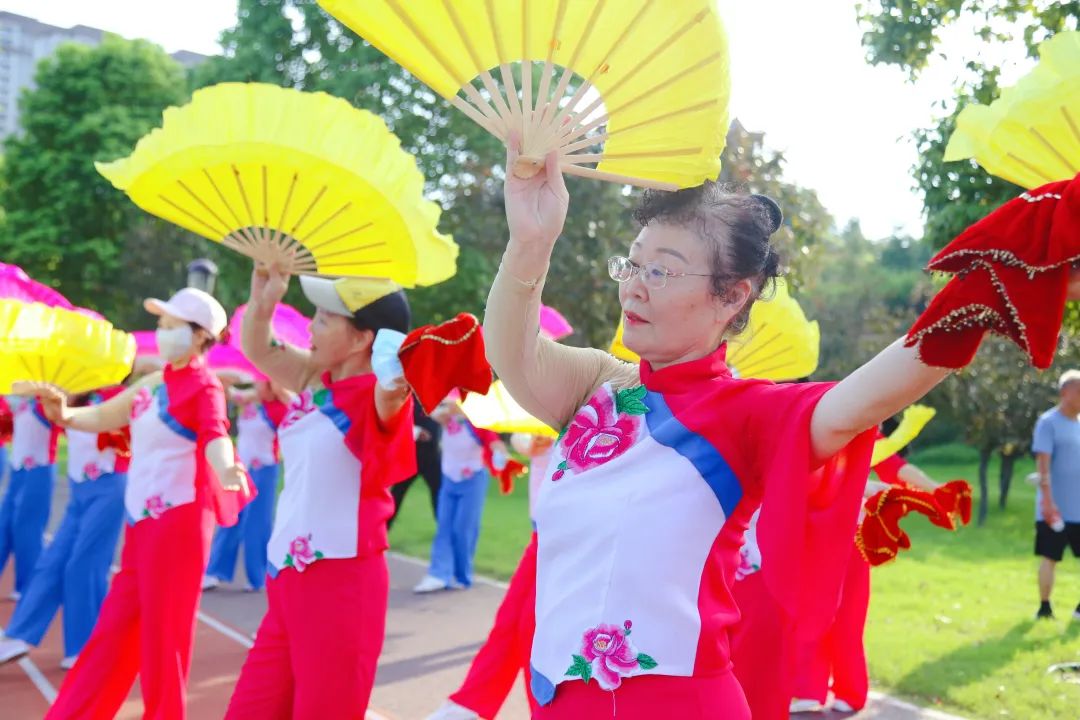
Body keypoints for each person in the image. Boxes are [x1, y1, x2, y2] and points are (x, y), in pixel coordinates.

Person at [482, 141, 1041, 718]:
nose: (634, 286)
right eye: (632, 262)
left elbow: (863, 399)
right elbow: (512, 352)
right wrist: (530, 241)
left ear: (730, 296)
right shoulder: (597, 383)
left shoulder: (748, 412)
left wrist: (986, 284)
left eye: (662, 269)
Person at [38, 287, 249, 720]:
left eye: (172, 327)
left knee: (163, 642)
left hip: (178, 527)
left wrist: (227, 469)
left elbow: (215, 435)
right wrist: (66, 416)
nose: (162, 333)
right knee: (112, 634)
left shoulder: (205, 387)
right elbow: (108, 415)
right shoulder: (155, 384)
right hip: (141, 528)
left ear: (199, 337)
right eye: (161, 325)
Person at [225, 267, 416, 719]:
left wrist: (394, 378)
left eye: (325, 320)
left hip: (340, 586)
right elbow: (260, 348)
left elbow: (391, 401)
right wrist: (264, 298)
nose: (311, 327)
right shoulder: (317, 381)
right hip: (290, 579)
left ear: (361, 339)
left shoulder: (376, 395)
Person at [427, 432, 555, 720]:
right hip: (541, 531)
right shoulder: (549, 407)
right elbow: (521, 434)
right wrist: (529, 442)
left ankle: (544, 711)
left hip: (568, 532)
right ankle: (471, 705)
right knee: (509, 622)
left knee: (531, 630)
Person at [0, 388, 129, 669]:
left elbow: (105, 424)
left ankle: (84, 647)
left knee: (83, 565)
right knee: (52, 562)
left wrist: (66, 408)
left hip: (108, 487)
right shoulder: (64, 397)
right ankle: (19, 635)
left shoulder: (115, 396)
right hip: (78, 489)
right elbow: (49, 419)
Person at [413, 395, 508, 594]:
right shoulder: (445, 418)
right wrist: (446, 411)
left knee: (463, 530)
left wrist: (500, 455)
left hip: (472, 480)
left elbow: (494, 442)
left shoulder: (478, 422)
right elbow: (432, 412)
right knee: (444, 527)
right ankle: (438, 574)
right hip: (449, 480)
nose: (447, 406)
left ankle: (461, 575)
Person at [203, 380, 290, 592]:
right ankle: (215, 572)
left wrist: (279, 387)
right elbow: (225, 386)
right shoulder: (248, 401)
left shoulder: (278, 409)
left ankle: (257, 577)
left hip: (264, 470)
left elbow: (295, 408)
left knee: (257, 525)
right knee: (230, 518)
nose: (259, 386)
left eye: (264, 383)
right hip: (241, 469)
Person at [0, 392, 62, 600]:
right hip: (18, 469)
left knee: (27, 529)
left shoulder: (49, 399)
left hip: (39, 469)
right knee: (5, 525)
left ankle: (27, 588)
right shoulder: (23, 400)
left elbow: (64, 423)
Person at [1032, 369, 1080, 620]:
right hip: (1055, 509)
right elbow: (1043, 465)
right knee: (1050, 557)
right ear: (1065, 392)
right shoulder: (1048, 423)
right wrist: (1048, 503)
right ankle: (1045, 607)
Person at [389, 401, 442, 528]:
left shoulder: (439, 397)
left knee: (439, 494)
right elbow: (397, 419)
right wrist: (416, 431)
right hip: (410, 455)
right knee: (397, 494)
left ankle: (443, 531)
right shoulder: (409, 396)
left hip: (432, 457)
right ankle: (382, 529)